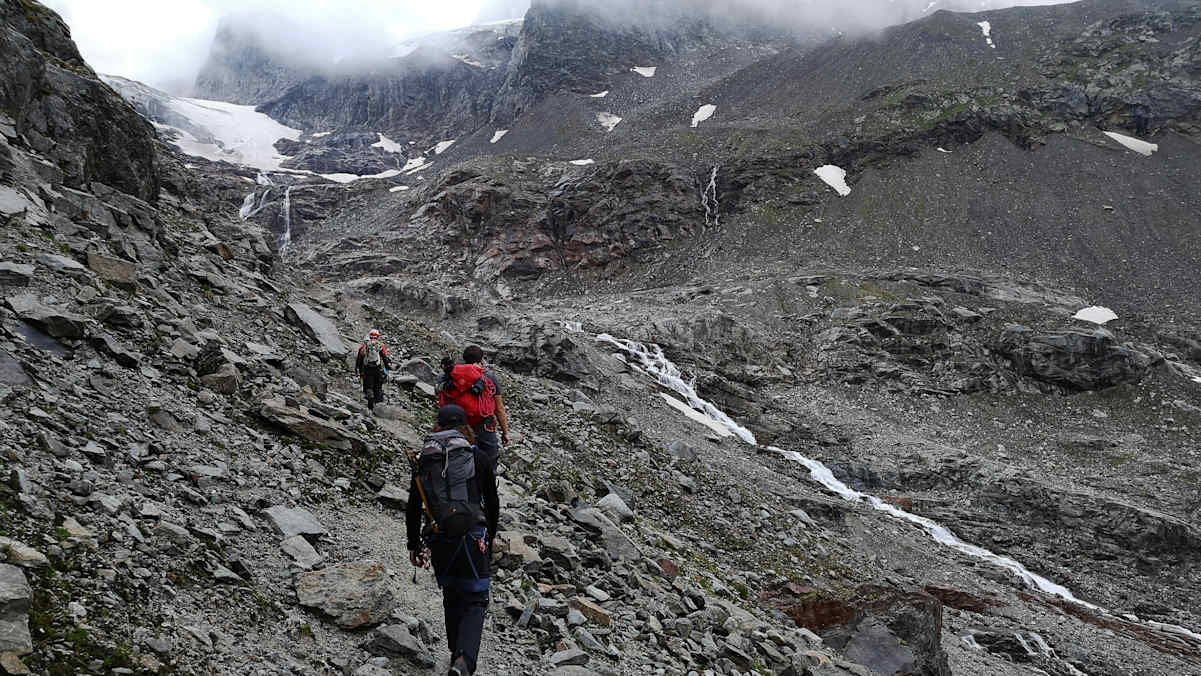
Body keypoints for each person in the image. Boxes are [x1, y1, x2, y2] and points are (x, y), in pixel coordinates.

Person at [407, 405, 499, 676]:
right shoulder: (478, 457)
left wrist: (414, 544)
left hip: (439, 537)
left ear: (438, 426)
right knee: (476, 600)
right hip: (473, 536)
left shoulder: (426, 459)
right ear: (466, 427)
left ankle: (454, 654)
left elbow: (414, 507)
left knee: (452, 593)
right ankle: (463, 661)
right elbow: (492, 504)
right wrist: (490, 536)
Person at [436, 346, 511, 469]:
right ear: (481, 359)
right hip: (483, 424)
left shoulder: (450, 375)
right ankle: (488, 483)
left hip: (457, 424)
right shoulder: (489, 376)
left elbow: (440, 396)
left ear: (464, 359)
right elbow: (499, 408)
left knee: (457, 456)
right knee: (489, 458)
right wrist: (505, 432)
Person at [355, 329, 391, 410]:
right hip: (378, 369)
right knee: (378, 387)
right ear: (378, 336)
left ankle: (370, 401)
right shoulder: (380, 345)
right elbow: (385, 358)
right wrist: (387, 367)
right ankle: (378, 406)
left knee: (369, 386)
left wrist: (358, 371)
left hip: (367, 370)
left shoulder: (364, 346)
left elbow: (359, 360)